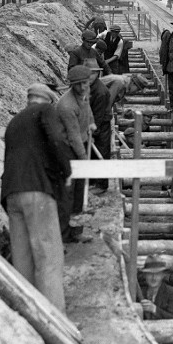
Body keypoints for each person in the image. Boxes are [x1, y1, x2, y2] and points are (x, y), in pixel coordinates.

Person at [1, 83, 71, 312]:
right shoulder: (45, 112)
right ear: (48, 101)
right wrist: (66, 171)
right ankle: (56, 320)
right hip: (36, 192)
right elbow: (57, 140)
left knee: (23, 262)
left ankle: (28, 316)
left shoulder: (14, 122)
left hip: (12, 195)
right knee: (48, 259)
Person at [56, 65, 95, 242]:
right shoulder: (66, 105)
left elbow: (88, 110)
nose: (81, 87)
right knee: (69, 193)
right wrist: (83, 158)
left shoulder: (84, 94)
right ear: (72, 85)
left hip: (81, 142)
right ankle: (65, 235)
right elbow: (73, 136)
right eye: (77, 85)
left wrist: (91, 123)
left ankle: (77, 232)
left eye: (84, 83)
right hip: (68, 150)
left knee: (79, 192)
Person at [84, 59, 112, 194]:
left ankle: (102, 185)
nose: (89, 77)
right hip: (94, 123)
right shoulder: (90, 86)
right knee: (93, 155)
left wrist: (93, 132)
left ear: (97, 74)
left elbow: (98, 116)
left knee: (102, 153)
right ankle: (93, 181)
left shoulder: (100, 91)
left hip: (101, 126)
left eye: (92, 74)